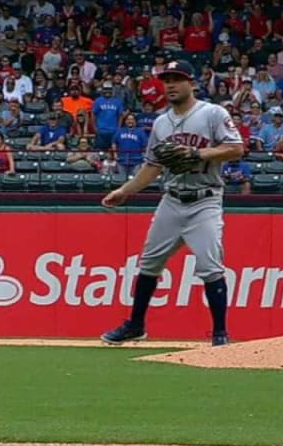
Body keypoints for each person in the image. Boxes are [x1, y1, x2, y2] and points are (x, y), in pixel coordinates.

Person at [99, 60, 245, 347]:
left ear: (192, 83)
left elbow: (236, 148)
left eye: (178, 79)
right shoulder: (161, 122)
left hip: (205, 200)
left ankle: (220, 334)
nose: (171, 85)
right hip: (172, 200)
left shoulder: (212, 113)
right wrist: (125, 190)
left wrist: (198, 154)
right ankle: (136, 325)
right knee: (149, 264)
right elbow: (152, 165)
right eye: (167, 80)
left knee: (210, 266)